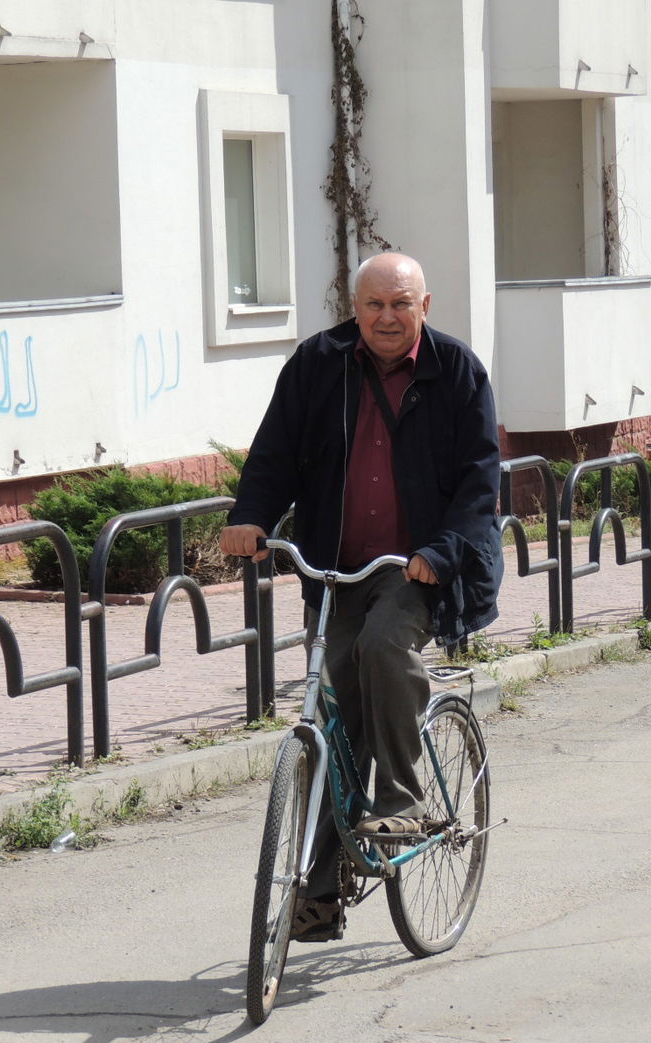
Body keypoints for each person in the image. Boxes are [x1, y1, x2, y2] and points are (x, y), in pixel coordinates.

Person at [220, 252, 502, 941]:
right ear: (356, 308)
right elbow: (275, 452)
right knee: (331, 711)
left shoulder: (458, 373)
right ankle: (320, 886)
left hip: (418, 566)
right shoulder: (320, 364)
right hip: (333, 566)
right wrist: (250, 516)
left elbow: (479, 481)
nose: (386, 317)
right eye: (373, 305)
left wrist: (440, 553)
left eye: (400, 305)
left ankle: (403, 799)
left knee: (382, 647)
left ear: (424, 307)